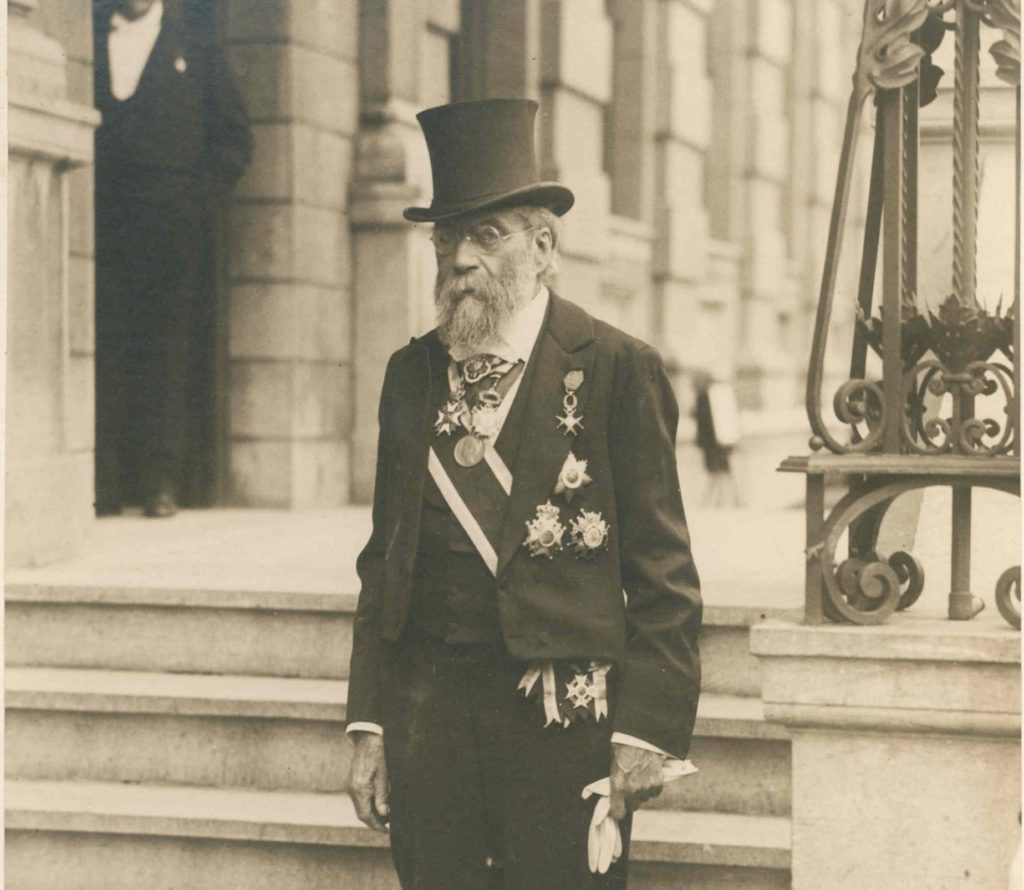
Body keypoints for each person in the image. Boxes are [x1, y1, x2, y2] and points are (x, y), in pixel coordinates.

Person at [346, 98, 702, 889]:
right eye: (446, 239)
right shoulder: (412, 375)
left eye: (487, 235)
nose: (461, 260)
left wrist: (646, 730)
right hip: (430, 724)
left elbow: (664, 576)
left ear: (544, 247)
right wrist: (369, 723)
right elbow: (385, 563)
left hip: (563, 731)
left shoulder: (616, 369)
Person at [93, 0, 252, 517]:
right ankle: (104, 483)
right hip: (102, 224)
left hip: (171, 228)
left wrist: (194, 202)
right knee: (106, 343)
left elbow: (235, 140)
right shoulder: (91, 36)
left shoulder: (197, 47)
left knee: (165, 347)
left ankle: (159, 481)